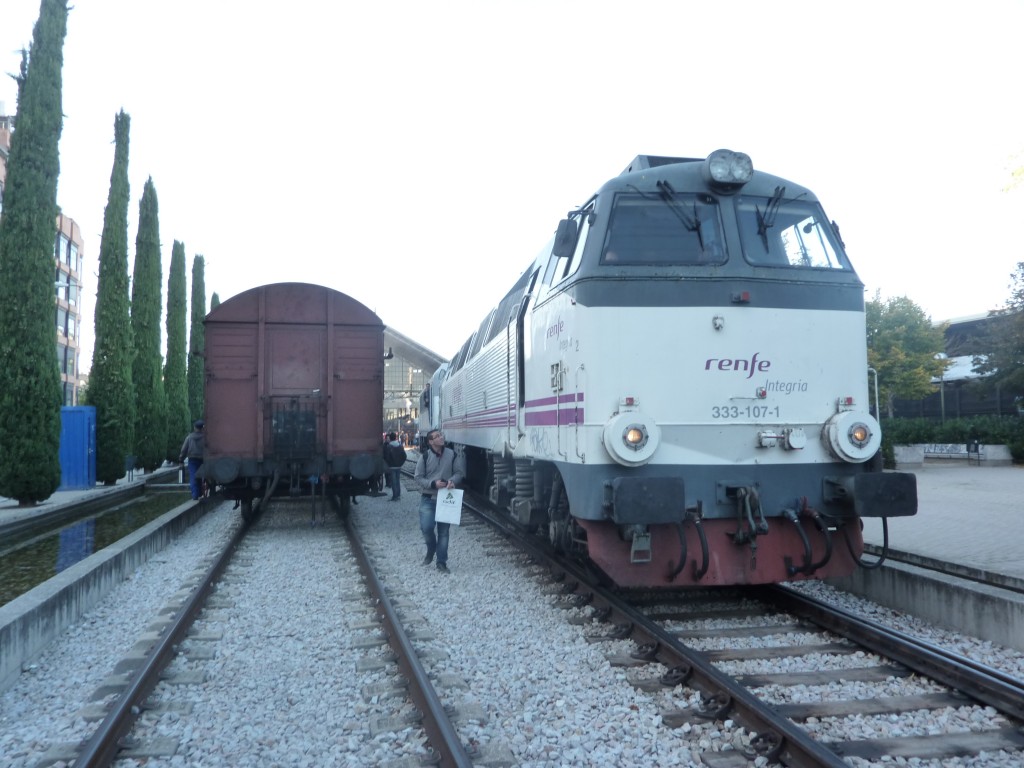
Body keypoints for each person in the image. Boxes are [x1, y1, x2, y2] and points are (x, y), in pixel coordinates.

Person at [413, 429, 465, 572]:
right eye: (437, 436)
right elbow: (417, 477)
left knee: (444, 532)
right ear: (431, 441)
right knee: (426, 528)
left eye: (441, 435)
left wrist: (452, 481)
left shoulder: (452, 454)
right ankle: (431, 549)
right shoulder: (424, 457)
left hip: (445, 499)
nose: (441, 438)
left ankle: (441, 562)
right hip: (428, 498)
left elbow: (459, 473)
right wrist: (432, 484)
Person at [179, 420, 206, 500]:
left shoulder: (189, 437)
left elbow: (184, 450)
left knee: (193, 476)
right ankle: (201, 491)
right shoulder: (206, 437)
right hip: (203, 460)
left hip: (192, 460)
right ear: (202, 428)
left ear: (194, 428)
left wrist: (181, 459)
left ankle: (195, 494)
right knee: (202, 477)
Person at [384, 431, 407, 501]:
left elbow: (387, 457)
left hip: (392, 467)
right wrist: (401, 463)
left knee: (393, 482)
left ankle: (395, 496)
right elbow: (404, 456)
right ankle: (398, 495)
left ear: (390, 438)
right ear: (396, 438)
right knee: (397, 481)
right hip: (398, 466)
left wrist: (388, 464)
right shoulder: (400, 446)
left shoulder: (389, 446)